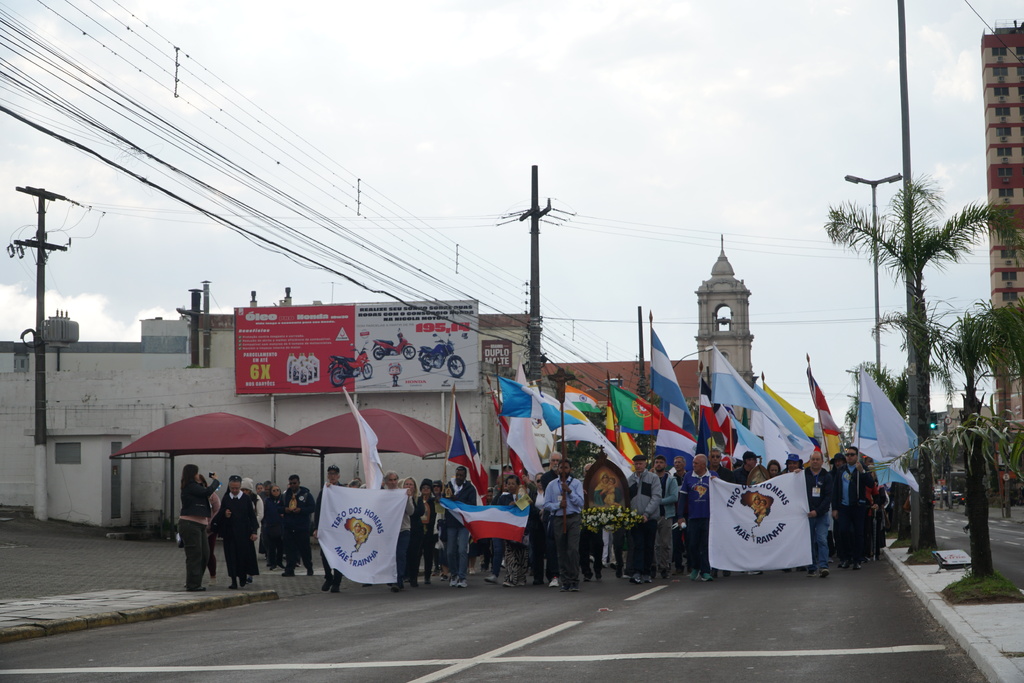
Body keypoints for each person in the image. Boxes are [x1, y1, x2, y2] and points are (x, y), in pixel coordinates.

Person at [210, 475, 260, 590]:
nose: (235, 491)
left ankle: (242, 577)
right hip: (230, 533)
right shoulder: (227, 498)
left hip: (244, 533)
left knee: (242, 556)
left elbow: (252, 517)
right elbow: (219, 515)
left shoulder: (246, 499)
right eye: (232, 488)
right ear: (229, 487)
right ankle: (233, 579)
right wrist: (225, 514)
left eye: (237, 488)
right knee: (231, 557)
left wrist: (254, 531)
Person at [831, 446, 876, 570]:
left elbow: (871, 484)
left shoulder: (861, 468)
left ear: (857, 456)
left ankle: (857, 559)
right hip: (844, 506)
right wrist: (835, 508)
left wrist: (862, 472)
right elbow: (835, 490)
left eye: (852, 454)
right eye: (848, 455)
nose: (849, 457)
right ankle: (847, 558)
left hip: (858, 505)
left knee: (858, 533)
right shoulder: (841, 470)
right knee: (843, 531)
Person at [544, 458, 584, 592]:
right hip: (559, 519)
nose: (563, 470)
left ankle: (574, 579)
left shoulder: (576, 483)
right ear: (557, 469)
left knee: (572, 549)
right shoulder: (551, 485)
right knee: (561, 551)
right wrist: (558, 505)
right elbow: (547, 504)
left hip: (573, 518)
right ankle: (565, 580)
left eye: (566, 468)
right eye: (561, 468)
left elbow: (580, 503)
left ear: (570, 469)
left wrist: (570, 492)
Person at [179, 464, 220, 592]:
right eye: (197, 473)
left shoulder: (196, 487)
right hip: (190, 524)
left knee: (205, 554)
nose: (198, 475)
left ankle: (196, 581)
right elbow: (207, 491)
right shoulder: (189, 486)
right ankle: (192, 584)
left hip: (201, 524)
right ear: (192, 474)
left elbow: (206, 494)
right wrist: (216, 481)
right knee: (195, 555)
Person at [680, 454, 717, 581]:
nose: (693, 465)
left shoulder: (712, 476)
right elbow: (682, 497)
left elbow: (721, 493)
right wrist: (680, 516)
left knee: (705, 545)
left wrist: (716, 481)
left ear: (703, 465)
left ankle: (706, 571)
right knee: (692, 545)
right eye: (693, 463)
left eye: (696, 463)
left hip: (708, 517)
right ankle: (695, 566)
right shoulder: (688, 476)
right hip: (693, 517)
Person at [626, 454, 661, 584]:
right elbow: (628, 499)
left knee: (648, 546)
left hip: (649, 519)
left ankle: (647, 572)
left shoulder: (653, 478)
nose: (638, 466)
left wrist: (647, 513)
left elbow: (656, 497)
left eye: (640, 463)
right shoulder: (630, 480)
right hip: (635, 519)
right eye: (636, 464)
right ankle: (637, 572)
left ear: (645, 464)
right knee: (637, 545)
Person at [312, 465, 345, 592]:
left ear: (338, 476)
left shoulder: (342, 490)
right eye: (330, 474)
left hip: (340, 529)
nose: (332, 476)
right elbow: (318, 509)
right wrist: (316, 528)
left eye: (334, 474)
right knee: (324, 554)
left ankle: (337, 582)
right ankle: (328, 577)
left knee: (339, 556)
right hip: (326, 528)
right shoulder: (324, 491)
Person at [443, 465, 477, 588]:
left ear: (465, 477)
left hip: (463, 524)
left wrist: (456, 499)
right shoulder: (448, 486)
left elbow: (471, 505)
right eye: (457, 475)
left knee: (462, 550)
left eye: (461, 476)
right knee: (450, 551)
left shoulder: (470, 489)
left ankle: (462, 577)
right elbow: (443, 501)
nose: (459, 477)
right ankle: (454, 574)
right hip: (451, 523)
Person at [384, 471, 414, 592]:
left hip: (402, 529)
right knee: (390, 556)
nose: (393, 482)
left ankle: (398, 579)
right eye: (390, 480)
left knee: (400, 554)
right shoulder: (382, 494)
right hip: (388, 531)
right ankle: (390, 577)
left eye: (395, 479)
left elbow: (411, 511)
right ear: (386, 482)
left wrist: (407, 498)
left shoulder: (403, 494)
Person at [804, 451, 833, 577]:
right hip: (807, 514)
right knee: (809, 541)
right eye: (813, 459)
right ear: (809, 460)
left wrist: (817, 511)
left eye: (817, 459)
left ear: (822, 461)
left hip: (821, 514)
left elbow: (828, 497)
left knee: (822, 539)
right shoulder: (803, 474)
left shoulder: (827, 476)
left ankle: (823, 566)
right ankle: (811, 566)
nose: (815, 461)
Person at [281, 474, 315, 577]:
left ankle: (309, 567)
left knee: (305, 550)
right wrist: (284, 510)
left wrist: (301, 510)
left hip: (302, 527)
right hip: (289, 527)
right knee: (289, 550)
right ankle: (290, 569)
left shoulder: (306, 495)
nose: (292, 485)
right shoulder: (285, 495)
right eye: (290, 483)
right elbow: (278, 507)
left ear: (299, 483)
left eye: (294, 483)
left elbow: (312, 507)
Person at [652, 454, 679, 579]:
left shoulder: (670, 479)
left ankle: (665, 566)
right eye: (656, 462)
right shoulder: (650, 478)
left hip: (666, 514)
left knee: (666, 543)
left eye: (661, 462)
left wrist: (659, 501)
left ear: (665, 464)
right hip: (652, 514)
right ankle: (654, 565)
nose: (658, 464)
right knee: (654, 544)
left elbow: (674, 497)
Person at [540, 454, 563, 587]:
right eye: (553, 460)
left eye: (558, 461)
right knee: (551, 547)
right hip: (552, 515)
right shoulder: (546, 478)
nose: (555, 463)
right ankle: (553, 574)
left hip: (566, 515)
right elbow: (550, 497)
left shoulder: (569, 478)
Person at [240, 478, 263, 584]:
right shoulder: (239, 498)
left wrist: (252, 523)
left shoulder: (257, 499)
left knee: (253, 550)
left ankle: (251, 574)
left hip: (254, 528)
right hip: (242, 529)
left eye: (246, 490)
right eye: (243, 490)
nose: (244, 492)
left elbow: (260, 514)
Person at [403, 476, 425, 588]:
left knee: (415, 555)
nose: (408, 486)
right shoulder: (401, 498)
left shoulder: (418, 499)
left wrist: (410, 500)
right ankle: (404, 575)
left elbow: (420, 511)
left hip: (416, 530)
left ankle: (413, 577)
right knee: (404, 554)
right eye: (406, 484)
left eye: (411, 484)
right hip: (405, 529)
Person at [415, 479, 437, 585]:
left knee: (429, 555)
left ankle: (427, 576)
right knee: (417, 554)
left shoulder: (433, 501)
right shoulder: (418, 500)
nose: (426, 490)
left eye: (428, 488)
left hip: (430, 530)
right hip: (419, 530)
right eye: (423, 488)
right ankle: (414, 575)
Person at [670, 455, 688, 575]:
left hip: (688, 513)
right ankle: (678, 565)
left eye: (679, 462)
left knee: (690, 540)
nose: (677, 464)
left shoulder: (689, 477)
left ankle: (691, 564)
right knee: (676, 541)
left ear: (684, 464)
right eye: (675, 462)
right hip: (675, 514)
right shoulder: (671, 479)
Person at [262, 484, 285, 570]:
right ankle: (272, 562)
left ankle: (280, 562)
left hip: (280, 526)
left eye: (277, 490)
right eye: (274, 491)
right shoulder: (267, 501)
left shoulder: (283, 500)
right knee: (271, 547)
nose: (276, 492)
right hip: (270, 526)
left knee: (280, 546)